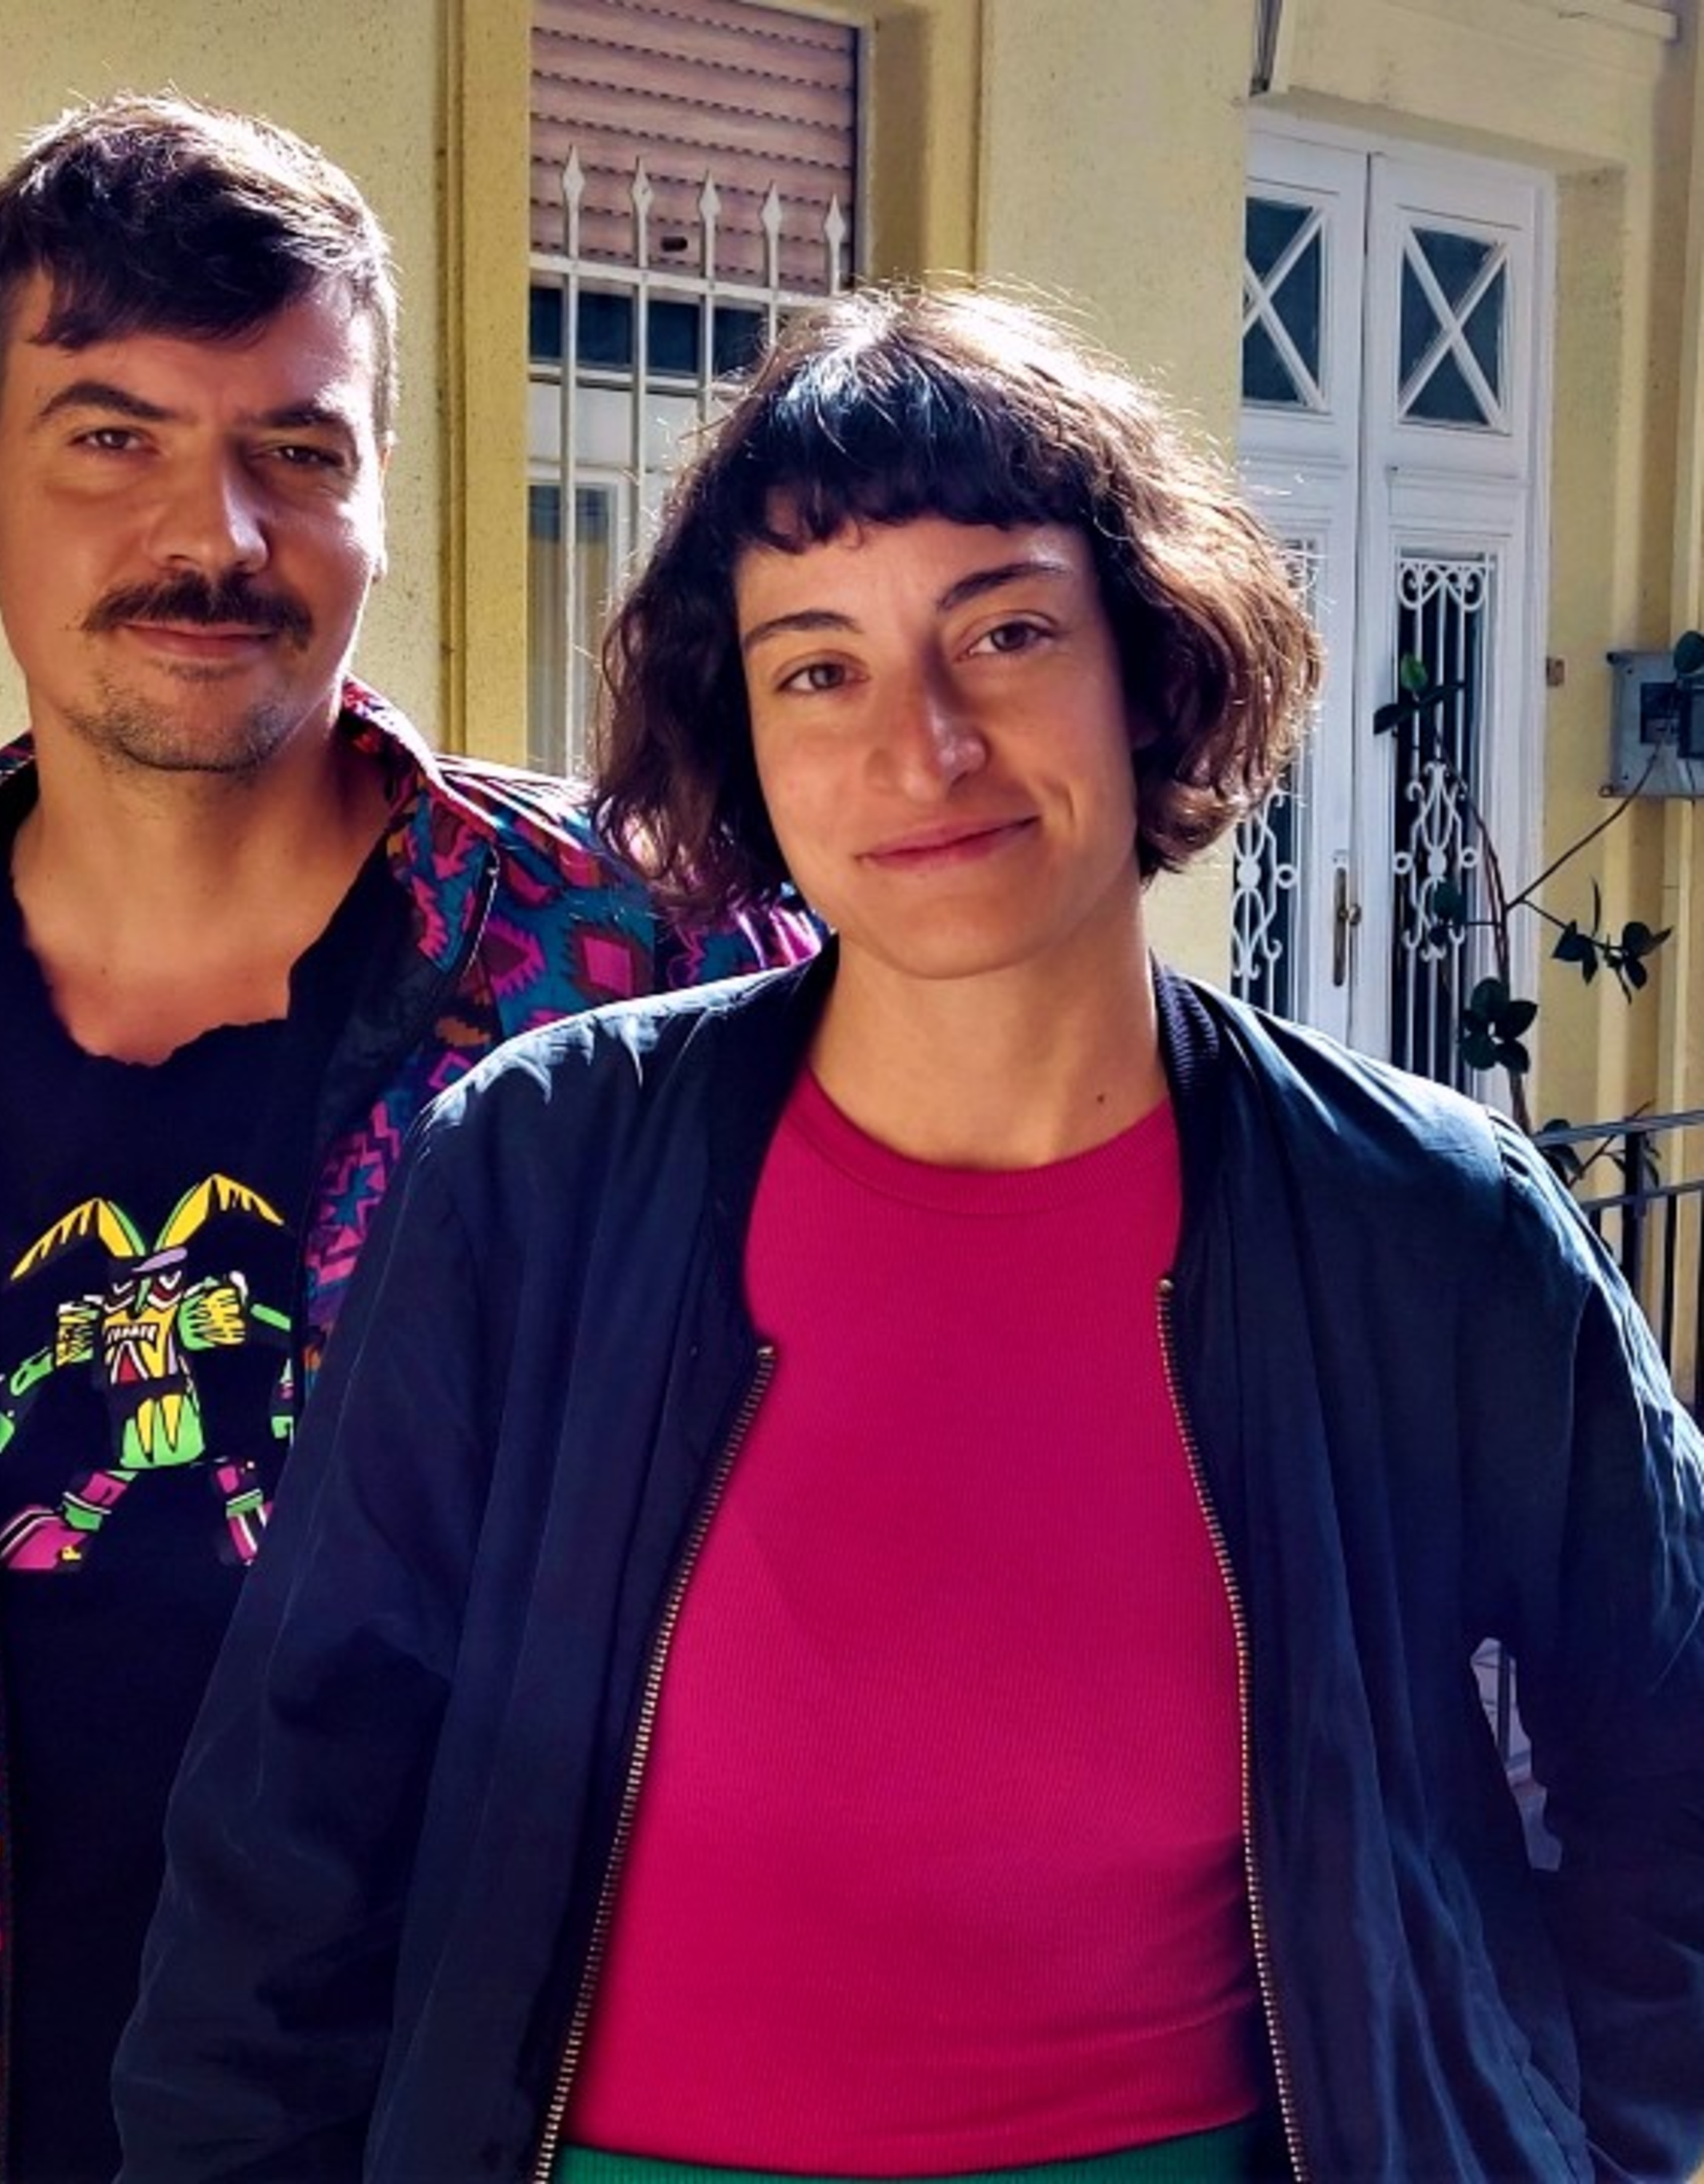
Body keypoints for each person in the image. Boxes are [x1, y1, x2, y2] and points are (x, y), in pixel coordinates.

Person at [114, 285, 1704, 2184]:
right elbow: (292, 1819)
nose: (923, 745)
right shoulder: (541, 1174)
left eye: (1007, 633)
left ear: (1151, 666)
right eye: (818, 670)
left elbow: (1671, 1765)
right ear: (744, 736)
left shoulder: (1424, 1226)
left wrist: (1614, 2153)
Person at [0, 92, 812, 2184]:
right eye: (110, 436)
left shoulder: (655, 985)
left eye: (296, 448)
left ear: (381, 491)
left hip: (482, 2126)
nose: (213, 535)